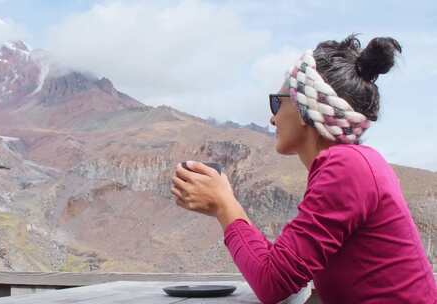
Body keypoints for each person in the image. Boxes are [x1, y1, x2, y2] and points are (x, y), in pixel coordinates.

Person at [171, 35, 437, 303]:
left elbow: (272, 282)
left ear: (303, 108)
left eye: (277, 102)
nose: (272, 118)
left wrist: (224, 206)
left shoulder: (347, 168)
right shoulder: (355, 164)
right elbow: (282, 265)